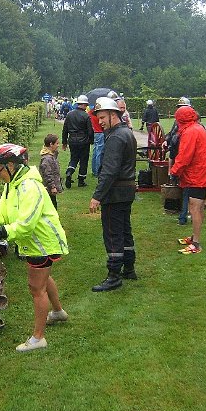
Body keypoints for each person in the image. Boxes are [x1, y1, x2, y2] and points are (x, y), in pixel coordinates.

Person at [0, 144, 69, 352]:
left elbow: (26, 225)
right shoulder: (12, 184)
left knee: (36, 288)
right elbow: (3, 211)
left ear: (10, 165)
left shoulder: (29, 187)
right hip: (36, 242)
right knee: (43, 279)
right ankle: (58, 312)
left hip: (43, 243)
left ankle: (38, 338)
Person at [89, 97, 138, 292]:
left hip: (115, 192)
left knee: (113, 233)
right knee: (125, 230)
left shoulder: (116, 137)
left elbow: (109, 171)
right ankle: (129, 268)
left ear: (113, 114)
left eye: (102, 117)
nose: (99, 121)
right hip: (126, 190)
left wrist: (97, 196)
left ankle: (114, 275)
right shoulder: (126, 132)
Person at [170, 105, 206, 254]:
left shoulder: (190, 132)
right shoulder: (198, 128)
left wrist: (174, 171)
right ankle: (194, 237)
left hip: (198, 175)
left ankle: (196, 244)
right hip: (204, 173)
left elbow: (185, 156)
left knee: (194, 208)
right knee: (198, 207)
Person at [61, 94, 94, 188]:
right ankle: (81, 180)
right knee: (83, 160)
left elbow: (65, 129)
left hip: (72, 140)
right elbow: (90, 131)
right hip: (84, 141)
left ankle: (69, 172)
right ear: (84, 104)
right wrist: (91, 140)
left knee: (74, 158)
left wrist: (64, 142)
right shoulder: (86, 116)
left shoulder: (69, 114)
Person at [39, 133, 63, 208]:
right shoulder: (47, 158)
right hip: (48, 189)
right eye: (57, 143)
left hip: (50, 188)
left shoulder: (51, 156)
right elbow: (47, 174)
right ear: (51, 144)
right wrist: (52, 187)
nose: (58, 145)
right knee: (51, 206)